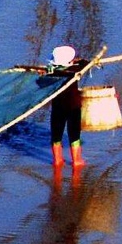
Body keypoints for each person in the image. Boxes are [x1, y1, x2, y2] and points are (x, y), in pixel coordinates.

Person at [41, 44, 86, 174]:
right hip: (73, 107)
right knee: (74, 135)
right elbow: (84, 63)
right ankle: (77, 161)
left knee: (56, 136)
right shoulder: (75, 70)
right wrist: (78, 61)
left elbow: (41, 82)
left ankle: (57, 160)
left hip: (58, 107)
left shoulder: (51, 72)